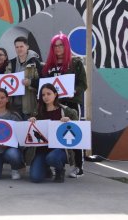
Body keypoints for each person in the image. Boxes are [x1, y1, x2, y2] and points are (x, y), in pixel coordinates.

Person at [42, 32, 87, 178]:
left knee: (75, 133)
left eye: (61, 45)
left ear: (66, 46)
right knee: (54, 133)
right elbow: (45, 86)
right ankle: (56, 164)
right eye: (55, 46)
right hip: (55, 104)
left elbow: (83, 84)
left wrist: (75, 90)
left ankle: (78, 167)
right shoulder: (49, 66)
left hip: (73, 103)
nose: (58, 48)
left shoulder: (75, 62)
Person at [27, 83, 78, 183]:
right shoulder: (37, 111)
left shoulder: (65, 110)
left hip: (59, 149)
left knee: (52, 158)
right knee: (35, 178)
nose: (46, 97)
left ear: (55, 94)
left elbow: (78, 127)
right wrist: (31, 121)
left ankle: (59, 170)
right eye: (43, 95)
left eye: (48, 94)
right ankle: (46, 169)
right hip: (41, 150)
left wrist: (70, 121)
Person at [0, 88, 23, 180]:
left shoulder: (14, 116)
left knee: (13, 154)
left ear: (7, 99)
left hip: (9, 150)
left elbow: (22, 136)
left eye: (2, 98)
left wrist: (10, 142)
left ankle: (15, 168)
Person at [6, 36, 42, 119]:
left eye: (21, 46)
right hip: (13, 105)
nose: (19, 49)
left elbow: (43, 82)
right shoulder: (11, 63)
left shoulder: (35, 62)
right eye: (17, 47)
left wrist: (30, 82)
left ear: (27, 47)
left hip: (29, 106)